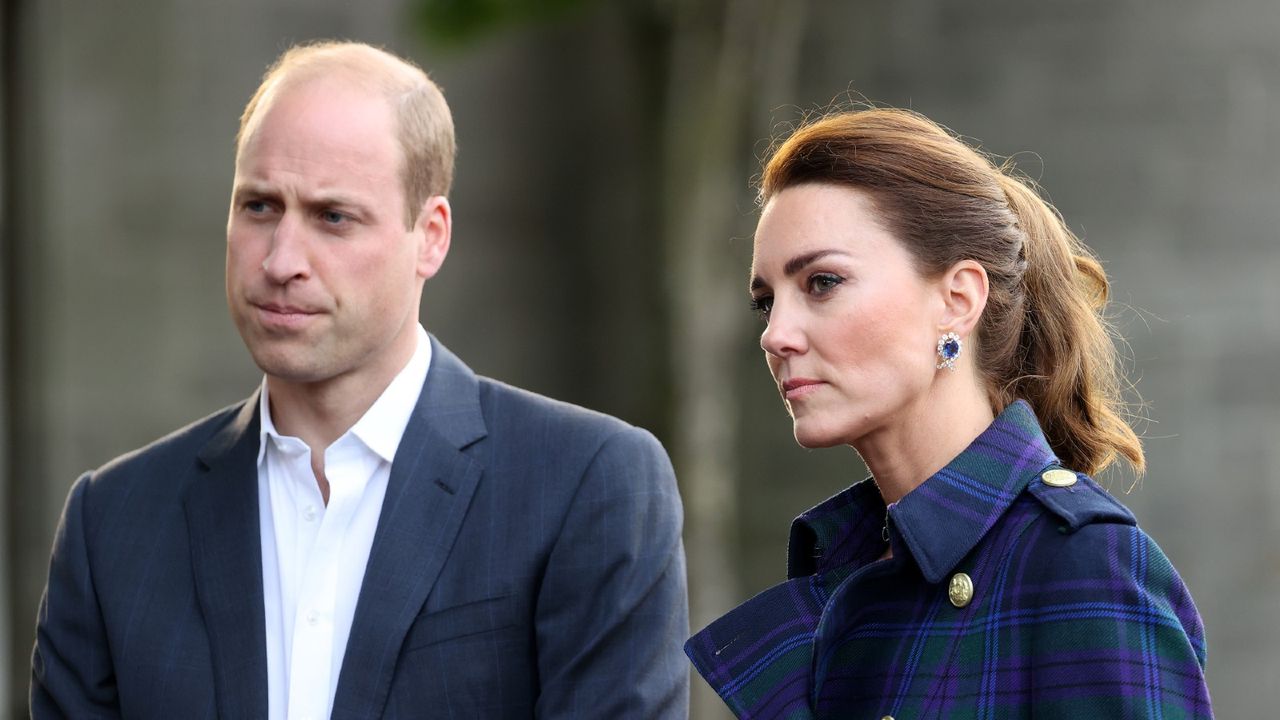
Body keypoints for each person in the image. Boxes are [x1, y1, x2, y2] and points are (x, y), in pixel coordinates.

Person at [31, 41, 689, 719]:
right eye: (259, 207)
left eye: (332, 217)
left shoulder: (585, 483)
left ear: (430, 236)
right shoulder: (112, 524)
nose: (282, 259)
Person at [685, 108, 1212, 718]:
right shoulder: (856, 565)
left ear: (958, 299)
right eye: (765, 302)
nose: (776, 335)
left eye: (822, 283)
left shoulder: (1082, 566)